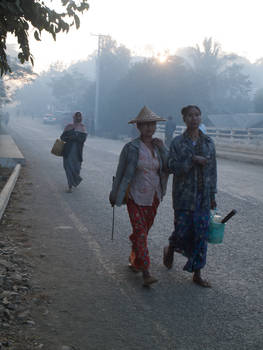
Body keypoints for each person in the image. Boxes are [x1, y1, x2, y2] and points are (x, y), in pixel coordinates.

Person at [109, 106, 169, 287]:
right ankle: (146, 272)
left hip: (154, 196)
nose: (149, 128)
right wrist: (114, 193)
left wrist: (164, 149)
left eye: (152, 124)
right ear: (138, 127)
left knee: (141, 232)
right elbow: (120, 173)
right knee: (141, 233)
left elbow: (168, 167)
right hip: (134, 197)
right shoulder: (131, 148)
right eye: (145, 125)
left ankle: (135, 259)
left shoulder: (159, 146)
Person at [163, 105, 217, 288]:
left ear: (201, 117)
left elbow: (213, 170)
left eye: (197, 115)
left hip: (203, 196)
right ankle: (171, 248)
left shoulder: (209, 143)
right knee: (182, 230)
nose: (194, 118)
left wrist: (212, 195)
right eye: (190, 116)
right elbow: (170, 166)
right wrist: (192, 161)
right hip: (183, 196)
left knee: (201, 234)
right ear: (184, 119)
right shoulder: (178, 143)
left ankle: (197, 273)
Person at [60, 112, 87, 193]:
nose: (78, 118)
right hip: (68, 151)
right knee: (68, 168)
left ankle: (75, 180)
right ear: (73, 117)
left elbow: (83, 139)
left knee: (77, 169)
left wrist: (76, 137)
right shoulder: (69, 126)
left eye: (79, 116)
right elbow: (62, 137)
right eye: (76, 116)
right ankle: (70, 186)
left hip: (77, 152)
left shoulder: (82, 127)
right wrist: (70, 137)